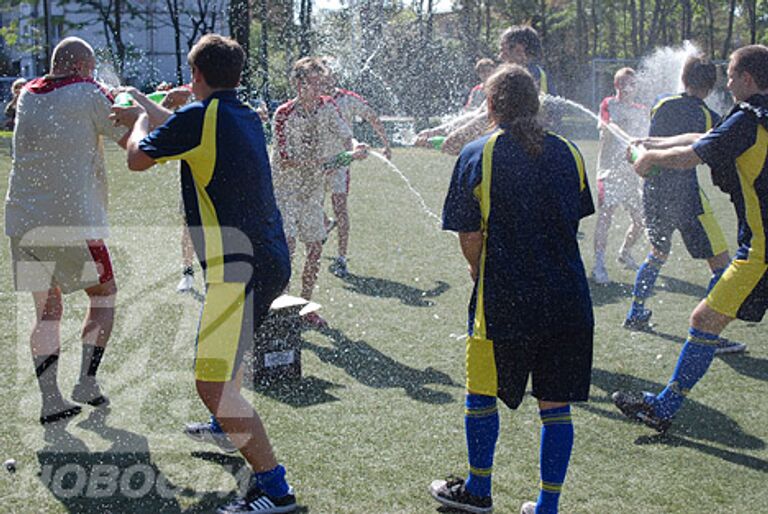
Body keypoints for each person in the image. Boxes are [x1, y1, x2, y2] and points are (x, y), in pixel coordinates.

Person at [114, 34, 297, 513]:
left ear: (196, 74)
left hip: (240, 268)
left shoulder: (199, 117)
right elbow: (185, 134)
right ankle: (224, 425)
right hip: (264, 258)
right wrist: (154, 109)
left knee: (211, 385)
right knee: (224, 363)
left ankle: (275, 490)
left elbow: (137, 158)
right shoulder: (239, 114)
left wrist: (135, 120)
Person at [429, 64, 594, 514]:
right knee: (555, 406)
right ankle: (547, 506)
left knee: (481, 393)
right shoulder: (570, 152)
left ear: (490, 105)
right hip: (567, 298)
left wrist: (479, 270)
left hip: (504, 297)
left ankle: (479, 492)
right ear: (537, 104)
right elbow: (571, 219)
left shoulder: (478, 152)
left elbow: (468, 234)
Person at [612, 44, 768, 433]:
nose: (726, 82)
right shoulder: (754, 117)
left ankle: (662, 408)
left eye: (731, 75)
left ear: (747, 79)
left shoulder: (748, 119)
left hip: (761, 250)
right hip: (756, 244)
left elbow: (693, 155)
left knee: (703, 319)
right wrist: (654, 144)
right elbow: (702, 137)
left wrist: (650, 158)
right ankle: (662, 407)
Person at [4, 38, 127, 424]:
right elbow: (124, 133)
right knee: (105, 296)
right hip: (72, 222)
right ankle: (86, 383)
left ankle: (50, 399)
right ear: (83, 67)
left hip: (22, 220)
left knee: (47, 313)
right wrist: (136, 102)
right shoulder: (88, 92)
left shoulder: (28, 94)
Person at [622, 55, 746, 353]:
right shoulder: (709, 115)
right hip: (687, 195)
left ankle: (635, 311)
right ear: (710, 86)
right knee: (721, 262)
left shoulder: (662, 102)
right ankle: (711, 333)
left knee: (658, 253)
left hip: (653, 189)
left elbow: (650, 140)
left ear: (684, 78)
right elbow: (709, 144)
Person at [271, 57, 366, 326]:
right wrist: (335, 161)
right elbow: (287, 160)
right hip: (285, 192)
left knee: (314, 250)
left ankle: (305, 308)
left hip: (312, 193)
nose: (319, 88)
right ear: (298, 84)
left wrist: (356, 147)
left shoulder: (327, 107)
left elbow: (347, 136)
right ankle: (281, 306)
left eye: (321, 82)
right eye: (313, 82)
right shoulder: (283, 115)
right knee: (287, 252)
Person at [415, 25, 554, 155]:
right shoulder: (513, 77)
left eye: (502, 50)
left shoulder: (529, 78)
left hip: (530, 151)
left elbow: (488, 117)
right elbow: (480, 112)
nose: (500, 56)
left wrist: (455, 138)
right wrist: (437, 131)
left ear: (518, 50)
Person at [322, 65, 389, 277]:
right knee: (308, 203)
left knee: (340, 208)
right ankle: (325, 224)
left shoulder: (348, 99)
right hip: (315, 162)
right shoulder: (313, 101)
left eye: (329, 76)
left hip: (341, 162)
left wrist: (385, 143)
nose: (325, 81)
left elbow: (371, 116)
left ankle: (342, 257)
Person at [591, 67, 647, 284]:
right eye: (622, 83)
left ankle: (625, 252)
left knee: (641, 220)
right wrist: (631, 139)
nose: (626, 87)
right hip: (609, 170)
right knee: (606, 215)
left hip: (631, 172)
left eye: (631, 83)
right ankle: (598, 264)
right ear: (616, 85)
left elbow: (647, 133)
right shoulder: (608, 104)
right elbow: (611, 125)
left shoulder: (641, 109)